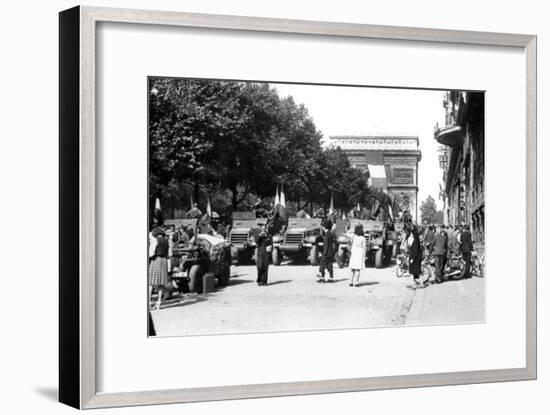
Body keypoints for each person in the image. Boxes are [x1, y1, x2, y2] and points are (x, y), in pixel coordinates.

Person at [148, 226, 171, 310]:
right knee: (161, 283)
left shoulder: (155, 240)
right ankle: (159, 302)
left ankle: (149, 302)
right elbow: (169, 253)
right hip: (164, 260)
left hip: (156, 260)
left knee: (151, 282)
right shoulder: (166, 241)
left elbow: (151, 253)